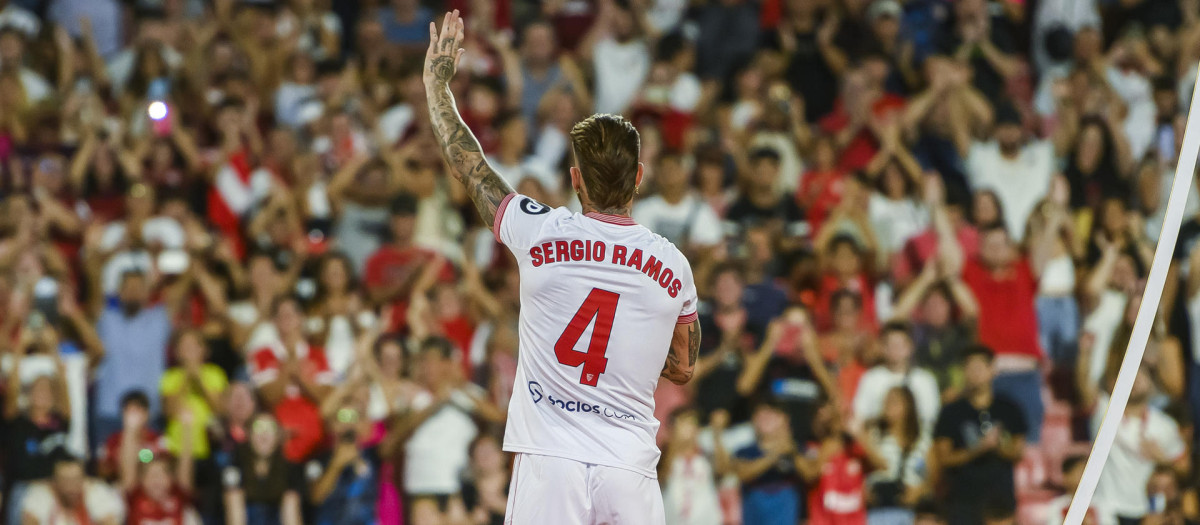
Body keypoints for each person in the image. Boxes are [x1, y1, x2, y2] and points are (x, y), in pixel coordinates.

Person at [423, 11, 700, 524]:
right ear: (639, 176)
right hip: (628, 466)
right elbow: (682, 369)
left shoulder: (541, 232)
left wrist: (437, 89)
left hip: (550, 460)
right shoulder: (673, 265)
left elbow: (471, 168)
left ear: (575, 179)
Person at [933, 345, 1026, 525]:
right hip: (962, 502)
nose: (975, 373)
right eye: (969, 367)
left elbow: (1017, 452)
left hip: (1000, 503)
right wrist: (978, 448)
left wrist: (997, 446)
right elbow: (944, 458)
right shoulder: (951, 412)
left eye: (980, 367)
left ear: (992, 370)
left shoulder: (1009, 408)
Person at [19, 454, 124, 525]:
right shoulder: (40, 494)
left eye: (75, 480)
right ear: (54, 482)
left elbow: (110, 521)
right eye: (65, 480)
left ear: (84, 480)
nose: (71, 486)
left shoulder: (97, 492)